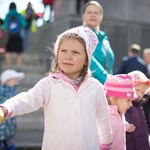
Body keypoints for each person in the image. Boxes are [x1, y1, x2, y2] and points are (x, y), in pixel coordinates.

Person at [0, 26, 113, 150]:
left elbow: (103, 120)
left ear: (86, 59)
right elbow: (28, 98)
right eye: (63, 50)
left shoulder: (95, 87)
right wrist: (6, 108)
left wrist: (106, 144)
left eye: (75, 52)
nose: (68, 56)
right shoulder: (49, 84)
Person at [82, 1, 115, 84]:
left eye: (96, 12)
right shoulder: (80, 35)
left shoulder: (104, 38)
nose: (93, 15)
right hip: (87, 86)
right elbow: (89, 60)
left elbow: (109, 65)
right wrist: (109, 80)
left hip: (105, 87)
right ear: (83, 16)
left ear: (101, 17)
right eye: (89, 12)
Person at [103, 74, 137, 150]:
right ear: (113, 99)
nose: (131, 105)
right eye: (128, 100)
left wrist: (128, 127)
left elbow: (120, 124)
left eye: (131, 101)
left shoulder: (119, 113)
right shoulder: (105, 118)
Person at [0, 69, 25, 150]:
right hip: (1, 125)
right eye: (15, 80)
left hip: (10, 127)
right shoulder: (2, 91)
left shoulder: (14, 90)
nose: (17, 82)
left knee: (10, 146)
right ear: (8, 80)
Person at [125, 70, 150, 150]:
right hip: (133, 144)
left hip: (141, 143)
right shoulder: (126, 106)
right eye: (137, 90)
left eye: (143, 93)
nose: (139, 95)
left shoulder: (138, 105)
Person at [2, 2, 27, 70]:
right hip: (19, 36)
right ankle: (19, 67)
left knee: (8, 51)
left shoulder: (8, 15)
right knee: (19, 52)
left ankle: (8, 67)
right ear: (16, 7)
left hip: (10, 37)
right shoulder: (19, 15)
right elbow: (24, 24)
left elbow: (4, 27)